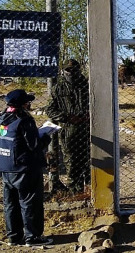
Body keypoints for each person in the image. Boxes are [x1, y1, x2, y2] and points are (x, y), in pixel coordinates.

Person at [0, 89, 53, 247]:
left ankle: (14, 236)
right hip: (23, 168)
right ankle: (33, 237)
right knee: (30, 202)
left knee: (11, 203)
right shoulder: (24, 119)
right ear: (22, 104)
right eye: (27, 101)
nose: (29, 103)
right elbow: (34, 145)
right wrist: (47, 136)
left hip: (6, 166)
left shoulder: (3, 116)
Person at [45, 59, 90, 193]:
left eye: (74, 69)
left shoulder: (87, 85)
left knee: (89, 160)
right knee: (71, 160)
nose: (71, 72)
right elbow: (50, 109)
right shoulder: (58, 88)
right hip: (68, 130)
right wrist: (68, 117)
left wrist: (90, 115)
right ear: (63, 71)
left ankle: (90, 189)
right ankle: (74, 191)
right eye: (68, 70)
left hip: (89, 128)